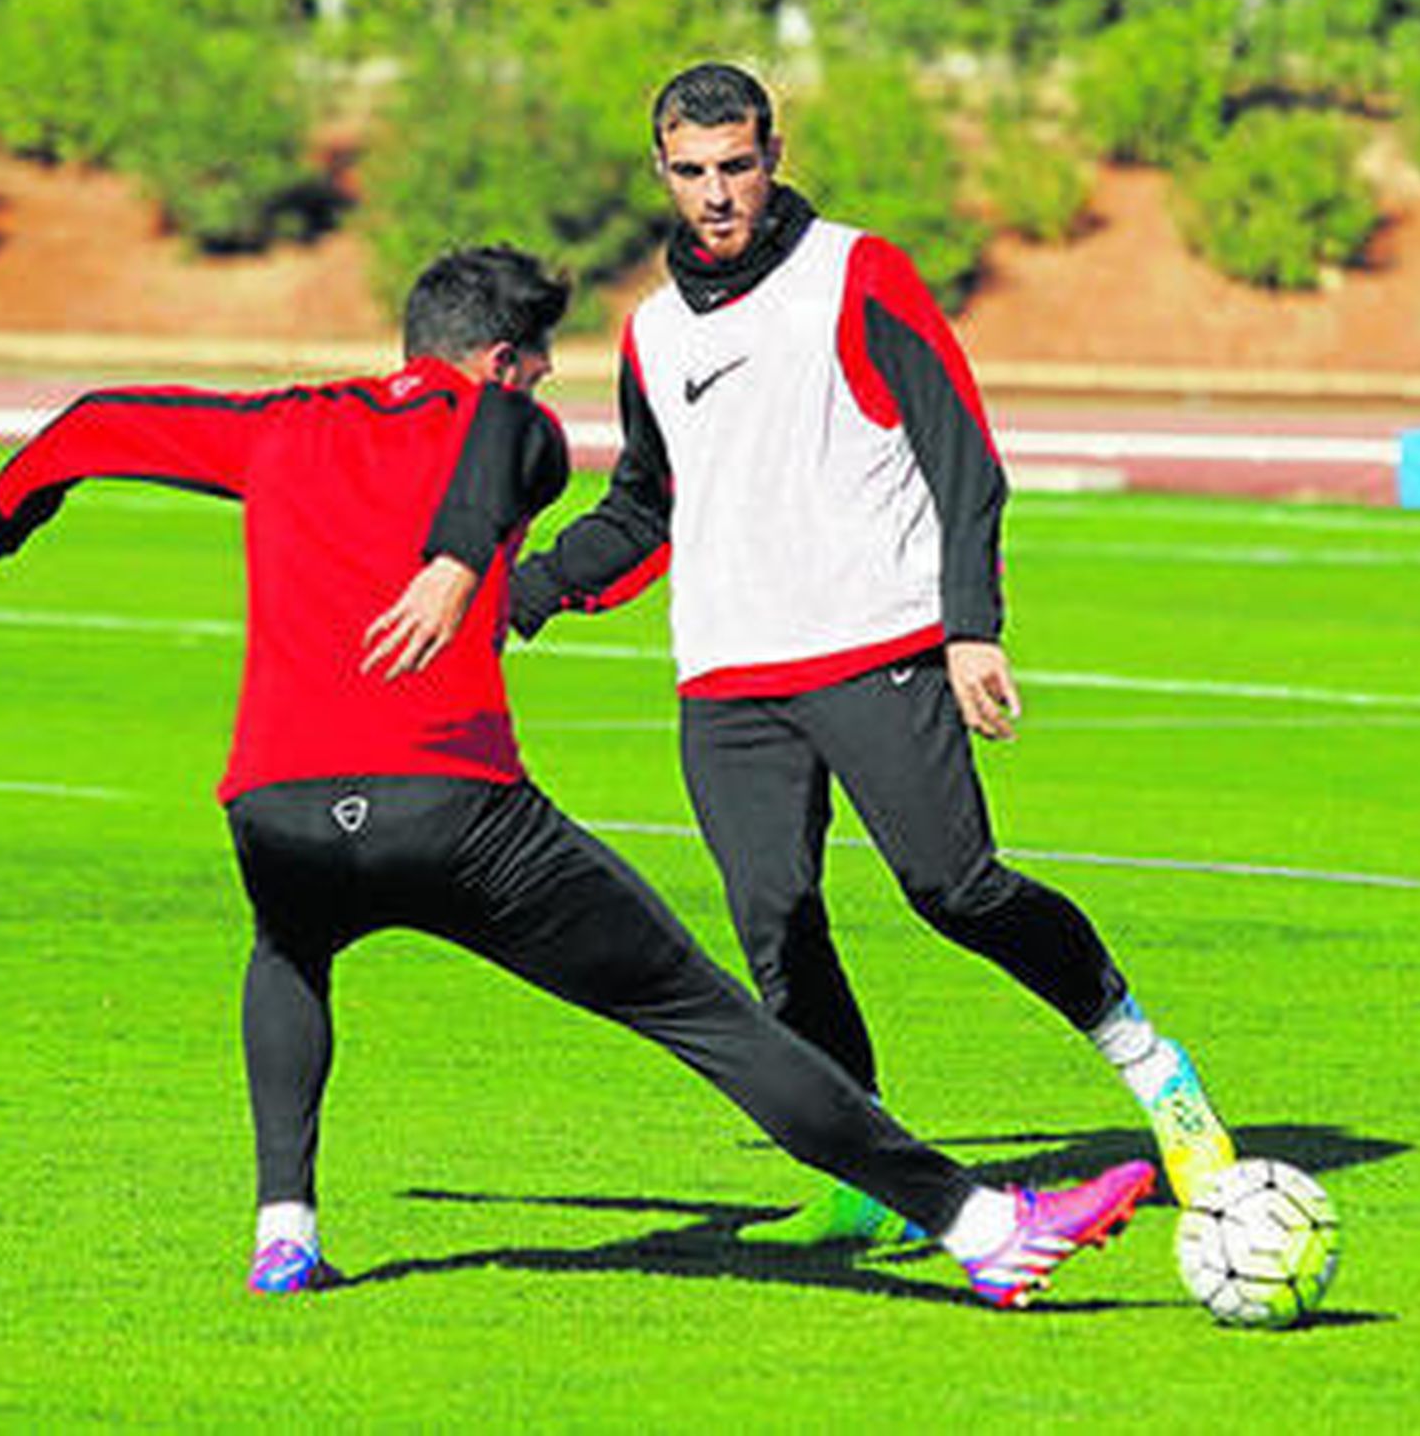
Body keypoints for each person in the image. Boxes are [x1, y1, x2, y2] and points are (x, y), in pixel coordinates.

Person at [0, 245, 1153, 1308]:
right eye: (533, 370)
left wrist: (8, 512)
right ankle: (983, 1225)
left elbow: (100, 417)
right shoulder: (503, 418)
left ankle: (284, 1232)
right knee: (703, 1011)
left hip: (278, 810)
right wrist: (457, 557)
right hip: (456, 811)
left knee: (288, 951)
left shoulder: (286, 422)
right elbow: (496, 444)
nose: (540, 396)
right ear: (498, 359)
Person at [509, 64, 1234, 1244]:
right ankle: (868, 1177)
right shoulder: (649, 331)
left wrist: (969, 625)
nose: (716, 194)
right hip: (729, 680)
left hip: (875, 646)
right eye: (691, 171)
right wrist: (524, 590)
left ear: (773, 152)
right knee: (775, 919)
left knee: (953, 888)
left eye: (735, 165)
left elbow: (960, 453)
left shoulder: (854, 271)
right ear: (662, 171)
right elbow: (647, 507)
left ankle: (1156, 1069)